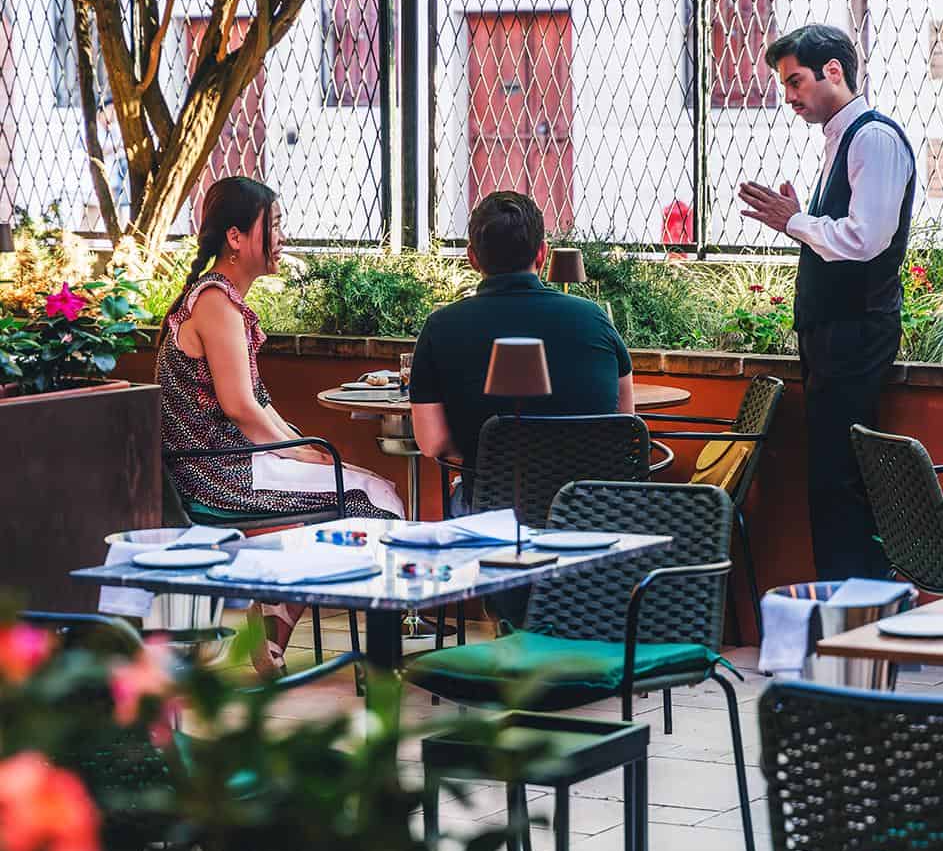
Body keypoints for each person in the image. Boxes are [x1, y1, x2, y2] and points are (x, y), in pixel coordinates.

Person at [155, 176, 402, 674]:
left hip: (233, 463)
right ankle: (367, 655)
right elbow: (241, 409)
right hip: (219, 475)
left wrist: (305, 449)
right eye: (274, 225)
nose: (282, 237)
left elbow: (261, 406)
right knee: (374, 501)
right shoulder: (215, 303)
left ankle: (272, 622)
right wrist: (302, 452)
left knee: (366, 485)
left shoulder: (222, 301)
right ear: (236, 237)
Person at [737, 23, 914, 580]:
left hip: (855, 331)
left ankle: (854, 618)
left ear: (832, 71)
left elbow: (866, 239)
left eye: (795, 82)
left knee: (841, 478)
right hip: (835, 332)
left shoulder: (873, 138)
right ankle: (846, 614)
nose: (788, 96)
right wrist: (803, 223)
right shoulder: (842, 139)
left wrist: (796, 221)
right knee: (832, 475)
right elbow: (840, 234)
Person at [409, 190, 635, 499]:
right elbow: (624, 423)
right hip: (591, 512)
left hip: (492, 508)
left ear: (472, 257)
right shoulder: (594, 318)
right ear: (542, 254)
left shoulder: (440, 328)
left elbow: (432, 443)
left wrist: (487, 462)